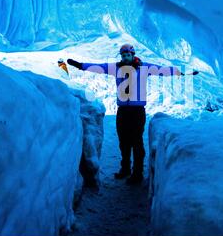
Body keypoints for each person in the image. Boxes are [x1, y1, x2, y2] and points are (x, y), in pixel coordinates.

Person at [67, 44, 183, 185]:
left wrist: (179, 72)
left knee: (136, 141)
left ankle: (137, 173)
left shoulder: (144, 67)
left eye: (128, 55)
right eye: (123, 55)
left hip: (137, 110)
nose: (125, 57)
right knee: (124, 141)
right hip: (122, 110)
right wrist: (80, 65)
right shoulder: (116, 68)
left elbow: (162, 70)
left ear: (133, 55)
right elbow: (98, 68)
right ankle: (125, 169)